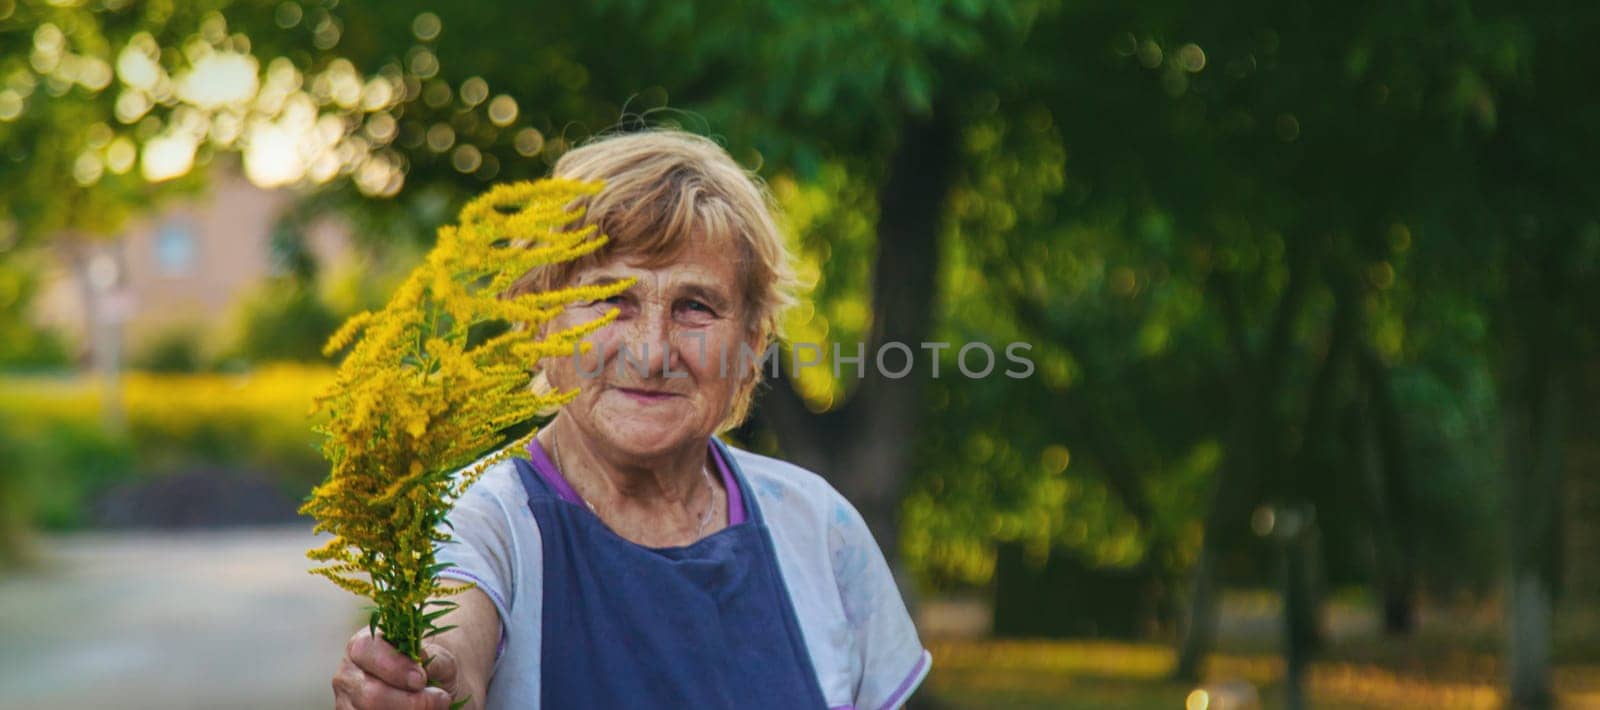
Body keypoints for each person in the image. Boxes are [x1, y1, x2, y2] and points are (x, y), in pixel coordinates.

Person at [331, 129, 930, 709]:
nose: (651, 352)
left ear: (751, 344)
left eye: (695, 306)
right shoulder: (480, 524)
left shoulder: (818, 527)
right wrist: (422, 681)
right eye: (610, 301)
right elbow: (450, 646)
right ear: (537, 323)